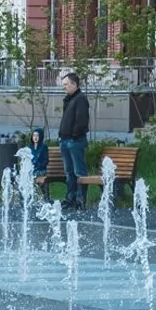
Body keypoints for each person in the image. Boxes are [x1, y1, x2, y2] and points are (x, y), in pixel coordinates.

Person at [57, 72, 90, 211]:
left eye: (66, 84)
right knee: (69, 172)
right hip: (65, 140)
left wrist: (74, 135)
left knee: (78, 171)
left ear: (74, 84)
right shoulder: (69, 99)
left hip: (74, 140)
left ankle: (80, 199)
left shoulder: (80, 99)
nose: (64, 87)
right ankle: (70, 198)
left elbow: (82, 120)